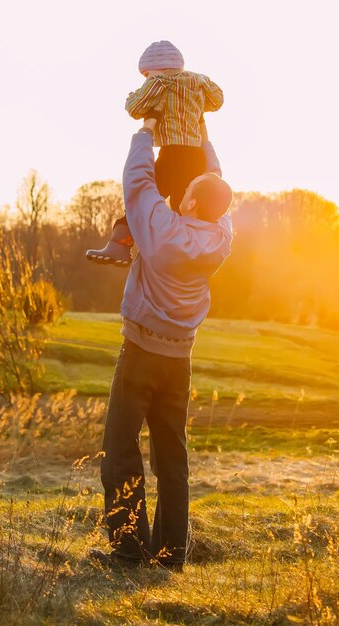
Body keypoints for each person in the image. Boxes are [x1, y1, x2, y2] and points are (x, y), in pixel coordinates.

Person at [89, 115, 233, 572]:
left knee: (120, 450)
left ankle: (130, 551)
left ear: (190, 203)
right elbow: (217, 185)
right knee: (172, 459)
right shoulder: (221, 237)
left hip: (142, 356)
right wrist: (203, 139)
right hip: (180, 362)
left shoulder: (164, 233)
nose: (184, 192)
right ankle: (171, 556)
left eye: (188, 191)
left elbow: (138, 182)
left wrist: (146, 131)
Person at [86, 40, 223, 266]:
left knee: (143, 197)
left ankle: (119, 244)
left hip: (173, 155)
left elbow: (135, 108)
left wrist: (142, 93)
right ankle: (187, 254)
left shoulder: (158, 82)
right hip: (197, 156)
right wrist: (193, 103)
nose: (145, 80)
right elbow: (217, 100)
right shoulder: (199, 81)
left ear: (153, 69)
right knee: (184, 209)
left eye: (145, 75)